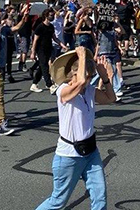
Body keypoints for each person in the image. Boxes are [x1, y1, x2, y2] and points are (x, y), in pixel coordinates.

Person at [34, 47, 116, 210]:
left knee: (100, 197)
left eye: (91, 76)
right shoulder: (62, 91)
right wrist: (82, 56)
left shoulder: (89, 91)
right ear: (75, 74)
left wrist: (105, 78)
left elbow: (110, 98)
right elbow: (79, 83)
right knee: (58, 202)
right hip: (69, 156)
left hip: (91, 152)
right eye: (88, 76)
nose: (90, 79)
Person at [31, 9, 66, 94]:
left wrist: (62, 44)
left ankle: (34, 84)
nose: (53, 17)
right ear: (46, 16)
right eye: (51, 15)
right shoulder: (40, 27)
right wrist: (33, 52)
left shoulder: (50, 26)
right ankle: (50, 85)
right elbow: (35, 40)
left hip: (48, 48)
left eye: (53, 15)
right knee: (45, 66)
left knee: (41, 67)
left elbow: (54, 38)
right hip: (41, 49)